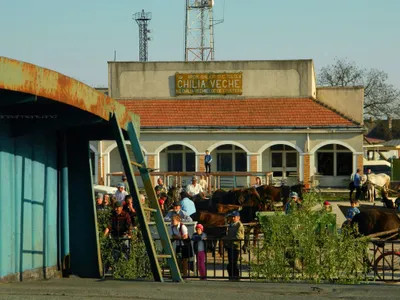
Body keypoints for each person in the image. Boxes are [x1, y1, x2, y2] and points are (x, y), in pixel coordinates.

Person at [224, 210, 244, 281]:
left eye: (234, 217)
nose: (233, 218)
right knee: (230, 262)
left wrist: (228, 239)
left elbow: (239, 237)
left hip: (236, 246)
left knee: (234, 262)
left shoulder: (239, 225)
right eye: (232, 217)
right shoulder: (231, 224)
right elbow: (228, 234)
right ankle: (231, 277)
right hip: (230, 246)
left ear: (238, 217)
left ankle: (236, 277)